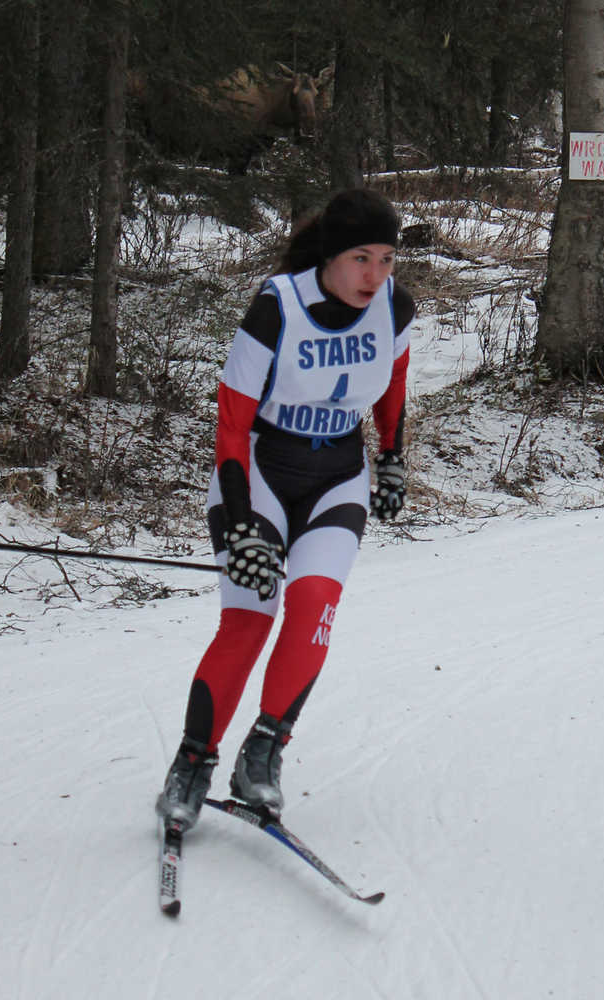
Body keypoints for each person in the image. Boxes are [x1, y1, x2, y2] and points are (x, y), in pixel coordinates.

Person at [156, 187, 416, 829]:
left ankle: (264, 753)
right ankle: (192, 765)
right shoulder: (279, 306)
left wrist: (391, 456)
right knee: (249, 620)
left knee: (312, 609)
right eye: (361, 257)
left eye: (386, 257)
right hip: (260, 473)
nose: (374, 274)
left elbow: (394, 388)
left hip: (337, 476)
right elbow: (231, 423)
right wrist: (242, 524)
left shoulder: (395, 307)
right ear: (330, 254)